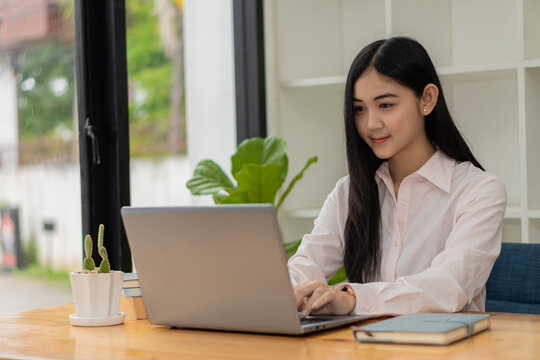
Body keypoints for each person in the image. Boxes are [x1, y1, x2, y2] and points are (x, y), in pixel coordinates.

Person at [288, 37, 507, 317]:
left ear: (427, 99)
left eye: (386, 105)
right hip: (363, 348)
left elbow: (448, 286)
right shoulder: (349, 192)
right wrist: (288, 291)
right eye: (360, 109)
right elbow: (306, 264)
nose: (371, 124)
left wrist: (354, 298)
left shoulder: (479, 191)